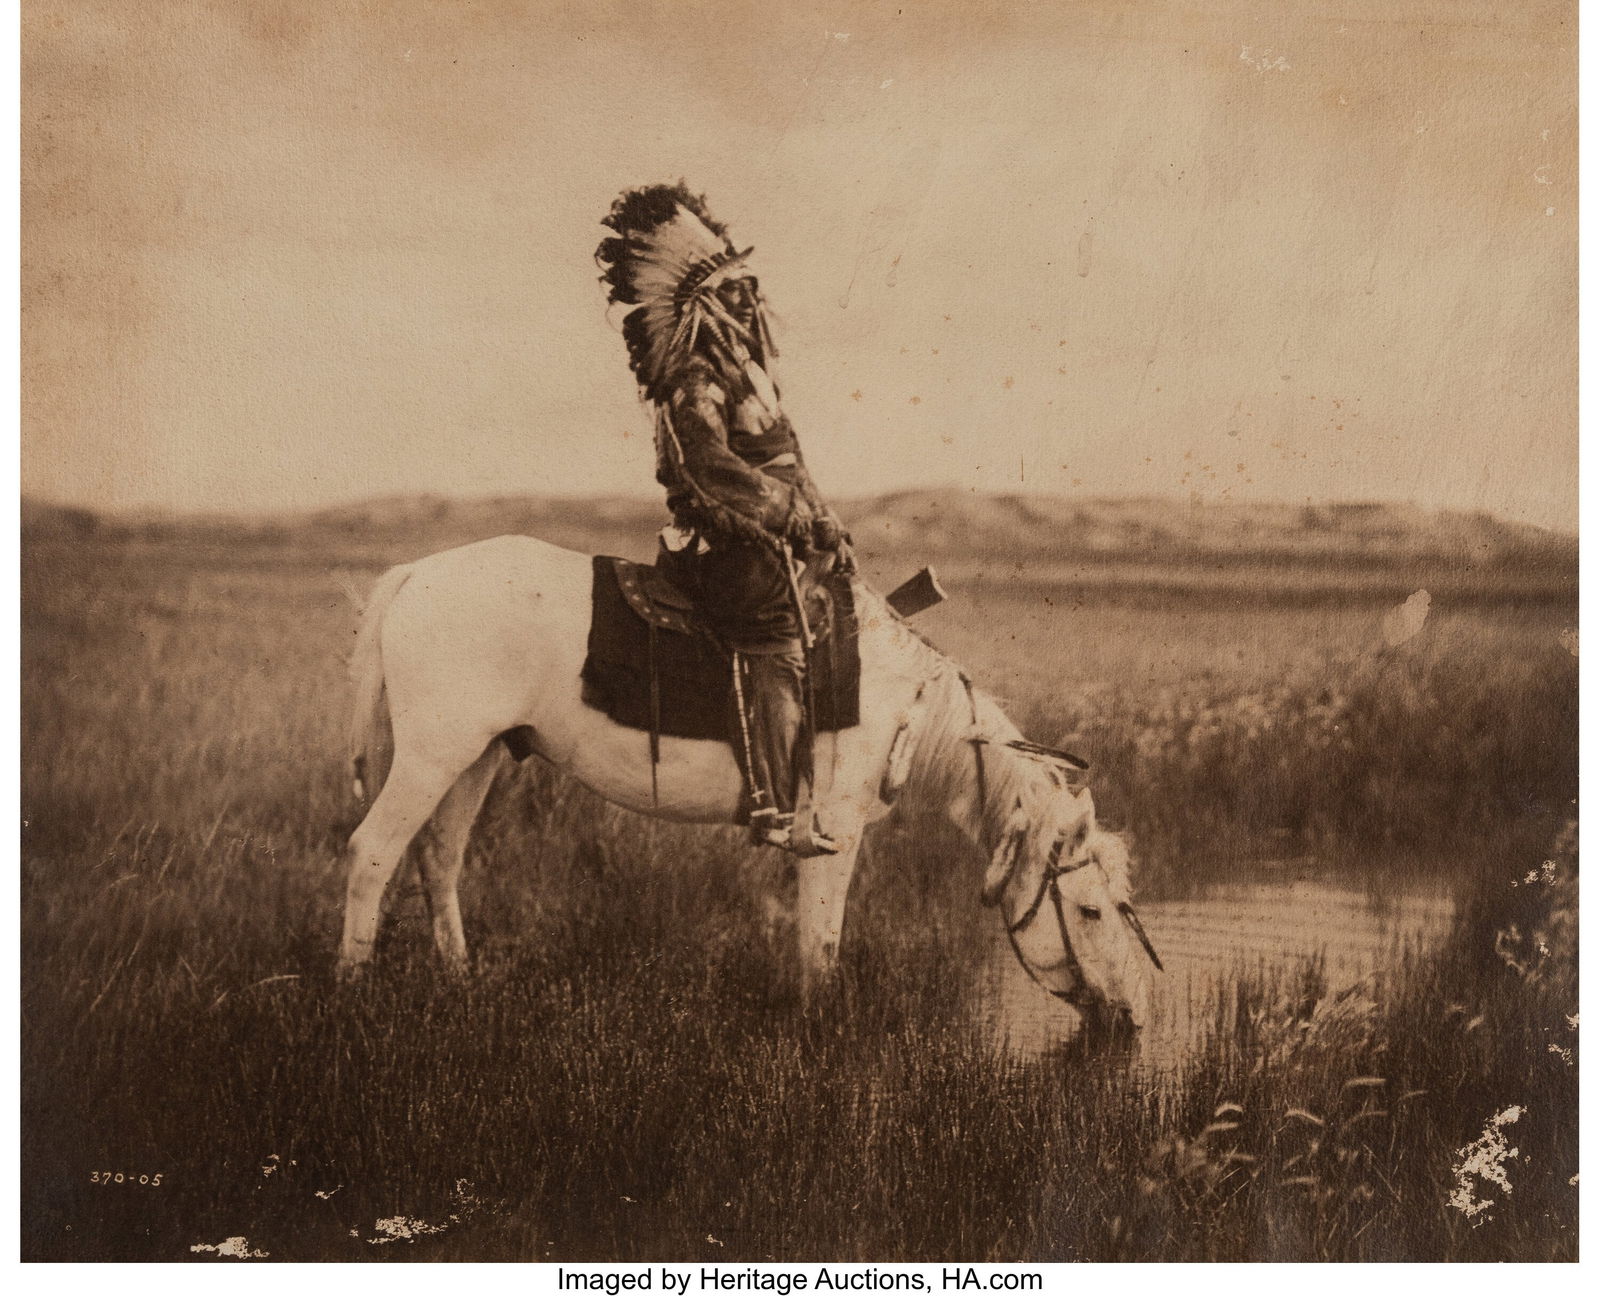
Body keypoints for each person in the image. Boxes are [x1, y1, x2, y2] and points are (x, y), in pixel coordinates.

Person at [596, 183, 850, 855]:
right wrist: (792, 514)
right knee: (775, 634)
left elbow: (787, 456)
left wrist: (824, 520)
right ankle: (776, 808)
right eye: (732, 288)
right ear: (705, 302)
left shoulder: (751, 372)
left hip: (775, 536)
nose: (748, 296)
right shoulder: (693, 377)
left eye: (748, 284)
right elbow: (708, 470)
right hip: (731, 546)